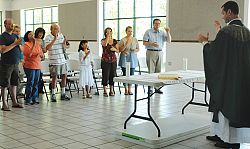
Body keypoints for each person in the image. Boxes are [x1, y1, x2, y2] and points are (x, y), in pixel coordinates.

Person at [198, 1, 250, 148]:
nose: (222, 16)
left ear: (229, 12)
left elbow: (215, 53)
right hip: (242, 78)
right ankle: (221, 135)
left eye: (223, 13)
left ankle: (230, 141)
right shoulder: (247, 31)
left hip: (228, 78)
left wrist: (204, 43)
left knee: (225, 104)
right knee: (235, 106)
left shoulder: (227, 32)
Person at [143, 18, 172, 94]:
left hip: (160, 52)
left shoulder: (162, 32)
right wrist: (151, 44)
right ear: (153, 24)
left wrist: (168, 32)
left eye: (159, 23)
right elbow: (144, 43)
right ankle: (150, 88)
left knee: (158, 71)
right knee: (151, 71)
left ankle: (157, 88)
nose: (157, 25)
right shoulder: (148, 32)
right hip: (151, 52)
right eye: (156, 23)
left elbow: (169, 41)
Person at [0, 18, 23, 111]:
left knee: (14, 83)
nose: (11, 26)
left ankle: (14, 102)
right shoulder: (2, 36)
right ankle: (4, 104)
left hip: (15, 63)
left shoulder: (15, 35)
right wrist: (15, 44)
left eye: (12, 24)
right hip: (6, 64)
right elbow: (3, 50)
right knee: (5, 84)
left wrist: (19, 44)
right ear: (5, 25)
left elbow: (20, 48)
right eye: (9, 24)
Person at [45, 24, 70, 102]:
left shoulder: (61, 35)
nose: (57, 30)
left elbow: (65, 47)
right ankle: (53, 94)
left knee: (64, 76)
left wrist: (65, 43)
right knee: (54, 77)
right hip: (54, 60)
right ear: (51, 30)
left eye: (58, 29)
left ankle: (63, 93)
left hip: (62, 59)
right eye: (55, 29)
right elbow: (47, 48)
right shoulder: (48, 37)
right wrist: (54, 39)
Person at [23, 31, 43, 105]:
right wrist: (34, 44)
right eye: (30, 34)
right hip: (29, 66)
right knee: (30, 82)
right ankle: (28, 98)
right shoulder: (26, 44)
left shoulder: (38, 44)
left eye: (33, 34)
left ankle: (35, 97)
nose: (32, 36)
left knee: (36, 82)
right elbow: (29, 54)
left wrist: (40, 55)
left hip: (37, 65)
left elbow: (41, 54)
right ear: (27, 36)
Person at [119, 26, 139, 95]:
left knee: (131, 75)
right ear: (126, 31)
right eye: (129, 31)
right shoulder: (123, 40)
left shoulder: (135, 39)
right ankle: (125, 89)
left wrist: (135, 50)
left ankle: (130, 89)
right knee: (125, 74)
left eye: (131, 31)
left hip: (132, 58)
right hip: (124, 58)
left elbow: (138, 49)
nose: (130, 32)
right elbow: (120, 50)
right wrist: (126, 44)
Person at [101, 27, 119, 97]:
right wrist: (107, 37)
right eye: (107, 32)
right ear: (105, 33)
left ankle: (111, 90)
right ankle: (105, 90)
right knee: (105, 75)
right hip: (105, 60)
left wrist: (114, 49)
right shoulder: (103, 40)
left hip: (113, 60)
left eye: (110, 32)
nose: (109, 33)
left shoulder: (114, 41)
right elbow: (105, 44)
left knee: (112, 75)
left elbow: (118, 50)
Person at [34, 27, 46, 94]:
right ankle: (35, 89)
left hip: (41, 58)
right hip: (34, 58)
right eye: (40, 33)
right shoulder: (34, 40)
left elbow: (44, 50)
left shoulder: (43, 41)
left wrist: (42, 48)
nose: (41, 34)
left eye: (42, 33)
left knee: (40, 75)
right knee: (35, 75)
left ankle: (40, 88)